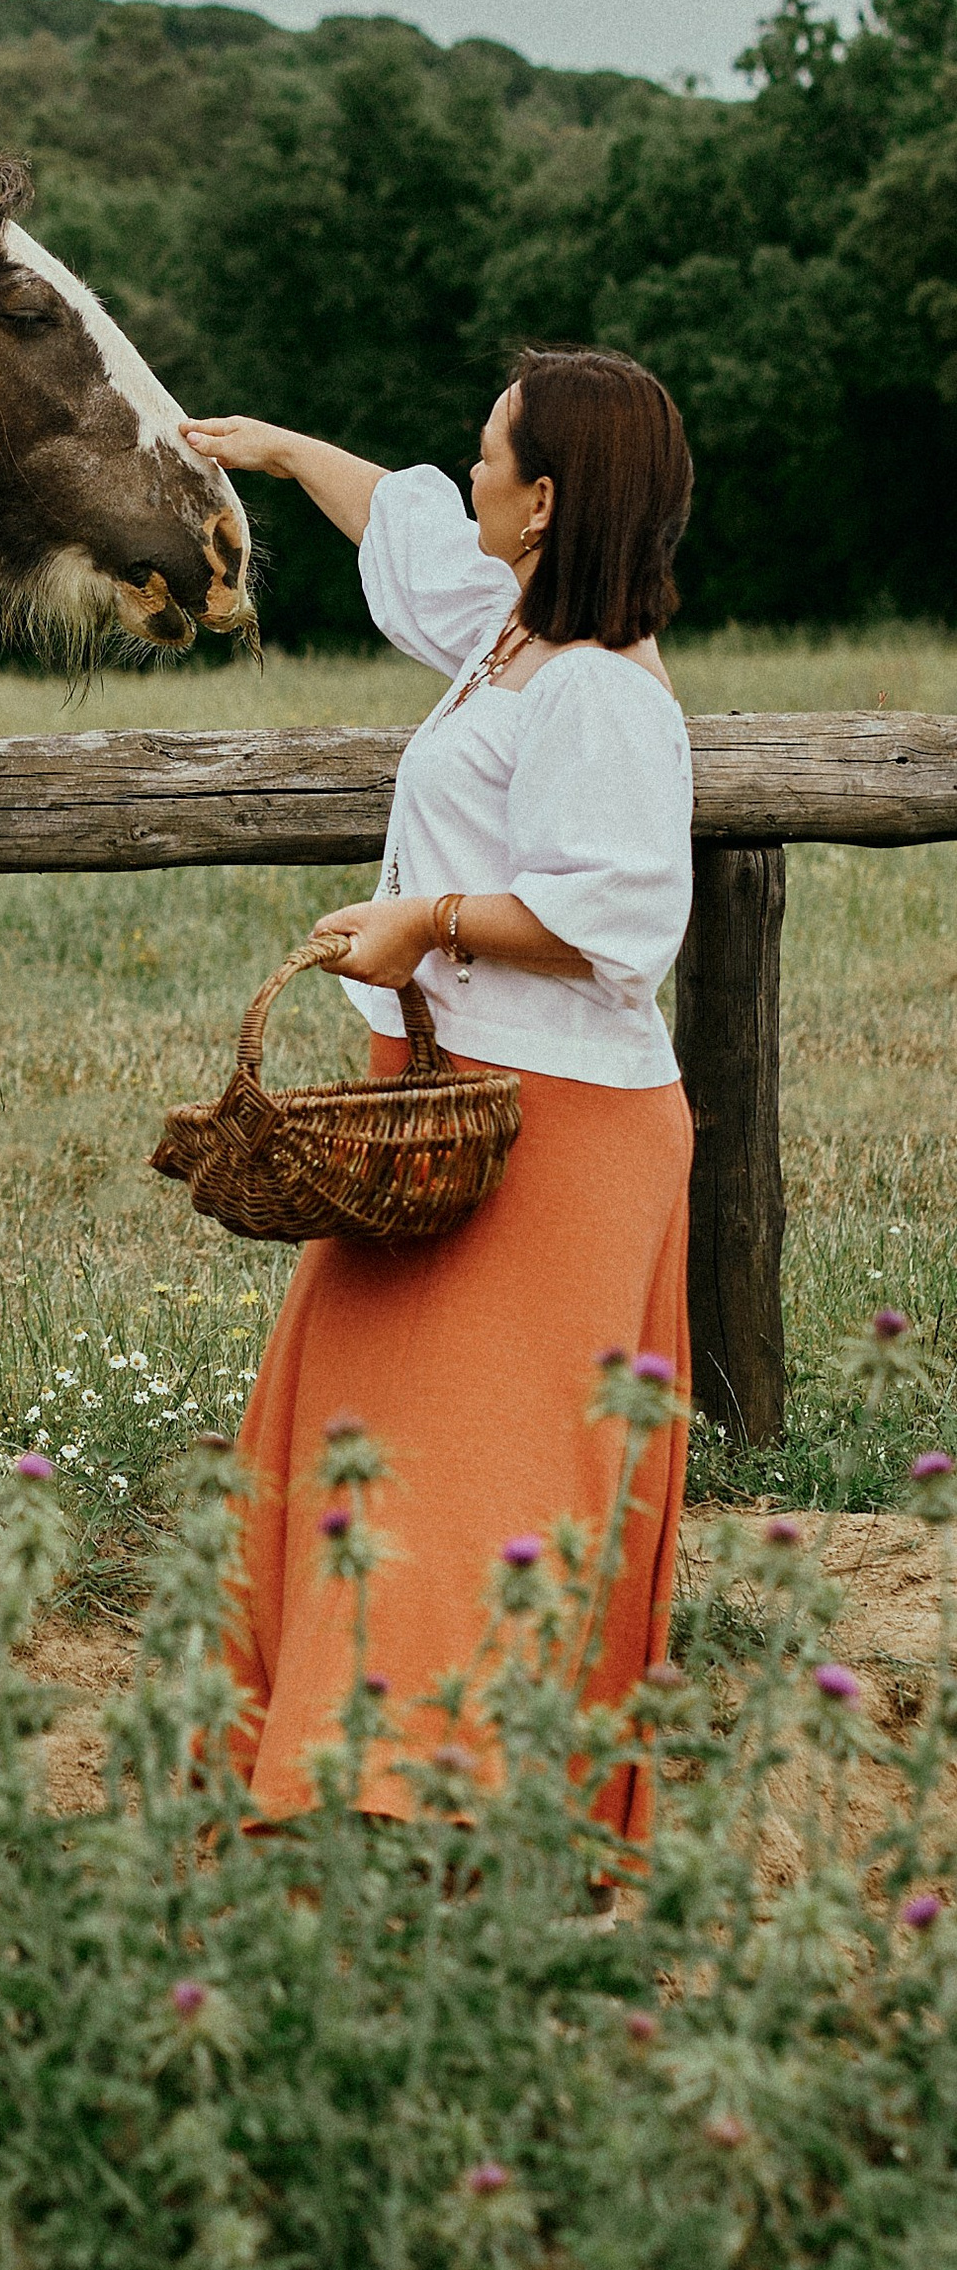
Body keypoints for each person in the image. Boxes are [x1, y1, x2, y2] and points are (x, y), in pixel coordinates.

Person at [178, 351, 696, 1835]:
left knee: (487, 1464)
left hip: (559, 1127)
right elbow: (398, 528)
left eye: (489, 456)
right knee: (350, 1418)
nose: (464, 474)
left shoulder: (599, 691)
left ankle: (455, 1802)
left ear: (543, 502)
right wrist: (280, 447)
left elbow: (611, 919)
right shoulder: (513, 631)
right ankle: (337, 1781)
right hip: (449, 1100)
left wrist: (431, 921)